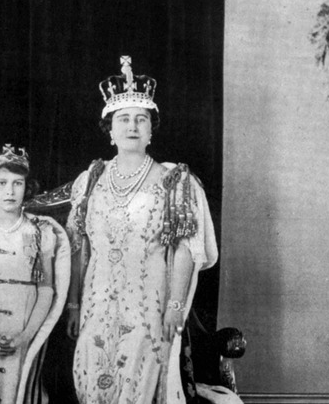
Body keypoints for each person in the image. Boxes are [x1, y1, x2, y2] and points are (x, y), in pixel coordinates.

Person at [65, 56, 218, 404]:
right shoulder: (90, 180)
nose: (132, 126)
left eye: (141, 119)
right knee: (91, 378)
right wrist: (73, 304)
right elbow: (78, 246)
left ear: (151, 130)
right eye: (123, 119)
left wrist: (175, 306)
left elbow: (184, 249)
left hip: (148, 304)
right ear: (110, 130)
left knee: (139, 383)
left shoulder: (174, 181)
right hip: (96, 303)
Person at [0, 145, 71, 404]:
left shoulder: (40, 231)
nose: (10, 191)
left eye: (18, 183)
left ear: (26, 187)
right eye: (2, 183)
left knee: (18, 390)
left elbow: (46, 290)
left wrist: (26, 336)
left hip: (23, 324)